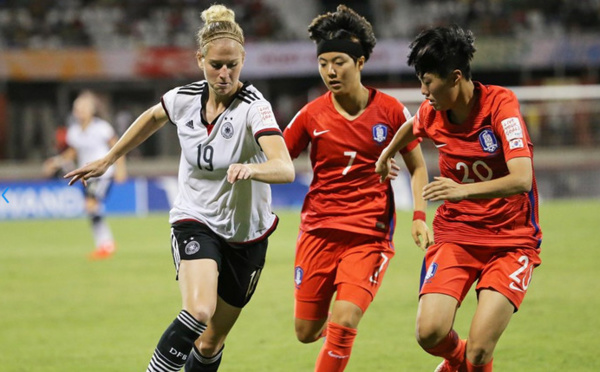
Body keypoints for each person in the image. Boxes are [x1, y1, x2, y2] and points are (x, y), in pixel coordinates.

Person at [64, 4, 294, 372]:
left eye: (232, 65)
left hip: (246, 234)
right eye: (216, 64)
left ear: (243, 60)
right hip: (195, 218)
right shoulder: (183, 98)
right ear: (199, 59)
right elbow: (153, 117)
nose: (224, 73)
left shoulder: (255, 108)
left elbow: (285, 168)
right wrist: (110, 158)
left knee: (210, 341)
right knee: (198, 311)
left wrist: (254, 171)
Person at [375, 25, 543, 372]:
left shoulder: (501, 106)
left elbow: (522, 179)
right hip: (457, 233)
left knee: (480, 351)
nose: (423, 92)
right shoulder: (433, 111)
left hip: (511, 241)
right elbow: (413, 125)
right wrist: (387, 152)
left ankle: (468, 361)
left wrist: (461, 190)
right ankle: (457, 362)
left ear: (454, 77)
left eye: (428, 82)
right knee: (429, 333)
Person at [283, 5, 432, 371]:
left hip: (368, 235)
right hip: (318, 232)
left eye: (339, 62)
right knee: (305, 331)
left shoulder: (392, 111)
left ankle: (337, 339)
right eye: (323, 63)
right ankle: (332, 336)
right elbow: (278, 159)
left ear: (360, 61)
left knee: (345, 319)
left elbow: (418, 167)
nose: (330, 71)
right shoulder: (310, 115)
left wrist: (417, 216)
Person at [44, 90, 126, 260]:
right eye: (77, 108)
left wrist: (120, 170)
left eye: (82, 108)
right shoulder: (73, 131)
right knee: (90, 208)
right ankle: (105, 244)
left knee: (90, 205)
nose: (79, 112)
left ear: (91, 110)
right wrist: (56, 162)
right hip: (86, 176)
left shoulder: (102, 128)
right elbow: (72, 154)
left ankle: (106, 244)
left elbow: (118, 147)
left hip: (103, 173)